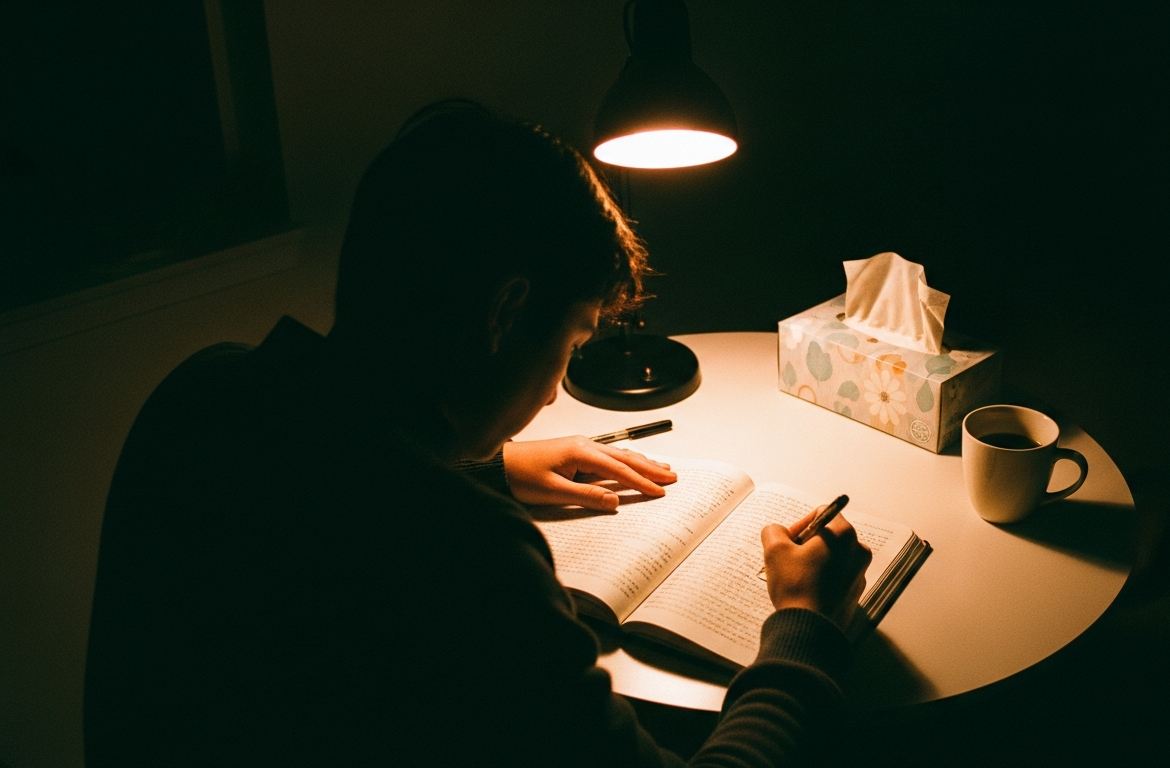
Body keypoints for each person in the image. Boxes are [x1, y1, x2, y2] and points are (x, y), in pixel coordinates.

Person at [83, 99, 872, 766]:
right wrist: (802, 627)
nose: (562, 388)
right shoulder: (466, 551)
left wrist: (484, 459)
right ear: (504, 313)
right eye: (570, 345)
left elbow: (331, 463)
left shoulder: (199, 392)